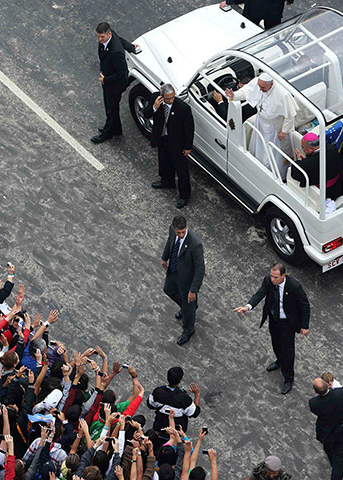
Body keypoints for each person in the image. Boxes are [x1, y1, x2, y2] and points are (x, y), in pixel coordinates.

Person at [233, 263, 310, 394]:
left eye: (275, 277)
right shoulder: (268, 280)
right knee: (275, 343)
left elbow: (305, 306)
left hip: (287, 323)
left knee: (288, 351)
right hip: (274, 318)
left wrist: (304, 326)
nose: (272, 280)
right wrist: (248, 306)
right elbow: (260, 293)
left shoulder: (294, 286)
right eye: (271, 276)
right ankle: (279, 361)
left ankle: (288, 378)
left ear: (283, 276)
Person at [225, 73, 298, 175]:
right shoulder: (258, 83)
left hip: (275, 127)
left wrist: (284, 131)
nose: (259, 89)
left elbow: (290, 115)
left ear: (271, 85)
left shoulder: (282, 94)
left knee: (272, 152)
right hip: (261, 121)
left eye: (263, 87)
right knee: (259, 145)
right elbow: (245, 92)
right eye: (259, 86)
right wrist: (233, 95)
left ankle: (273, 172)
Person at [144, 84, 195, 208]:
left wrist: (188, 146)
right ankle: (167, 181)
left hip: (178, 142)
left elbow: (189, 128)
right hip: (162, 138)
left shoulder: (183, 108)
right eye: (167, 98)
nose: (171, 100)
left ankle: (184, 194)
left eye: (172, 97)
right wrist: (154, 107)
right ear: (161, 96)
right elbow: (146, 114)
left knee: (181, 169)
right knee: (164, 161)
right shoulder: (155, 99)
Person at [160, 216, 205, 345]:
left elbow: (200, 269)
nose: (180, 235)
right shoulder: (172, 231)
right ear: (174, 228)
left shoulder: (195, 244)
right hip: (174, 271)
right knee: (168, 289)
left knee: (188, 302)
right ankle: (188, 308)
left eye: (183, 232)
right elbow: (170, 242)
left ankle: (188, 329)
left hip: (187, 280)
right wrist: (165, 257)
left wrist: (193, 290)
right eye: (178, 232)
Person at [90, 22, 137, 144]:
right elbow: (121, 40)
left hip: (114, 84)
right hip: (109, 77)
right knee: (113, 107)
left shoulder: (116, 53)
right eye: (98, 36)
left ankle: (107, 133)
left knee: (110, 109)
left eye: (102, 37)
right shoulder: (111, 36)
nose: (99, 40)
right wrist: (132, 47)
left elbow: (121, 75)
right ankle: (116, 129)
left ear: (108, 34)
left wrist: (105, 80)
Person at [147, 366, 201, 434]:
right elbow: (195, 413)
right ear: (180, 380)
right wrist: (197, 394)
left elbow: (150, 404)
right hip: (176, 434)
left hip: (158, 430)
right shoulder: (184, 398)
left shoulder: (158, 392)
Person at [291, 132, 343, 200]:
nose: (302, 149)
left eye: (303, 147)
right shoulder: (332, 148)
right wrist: (307, 160)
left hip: (325, 192)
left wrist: (299, 161)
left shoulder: (308, 164)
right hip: (338, 185)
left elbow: (296, 173)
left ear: (310, 148)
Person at [219, 0, 294, 29]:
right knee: (272, 32)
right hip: (274, 9)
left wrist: (229, 1)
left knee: (248, 29)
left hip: (254, 7)